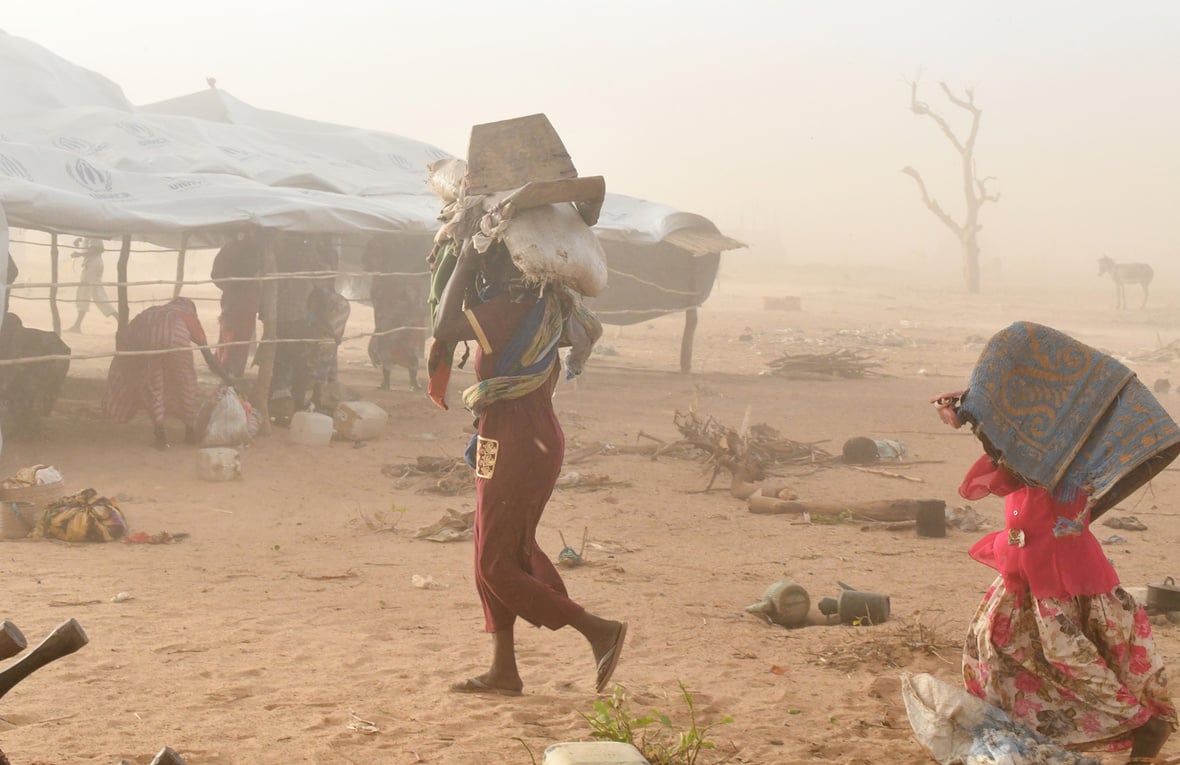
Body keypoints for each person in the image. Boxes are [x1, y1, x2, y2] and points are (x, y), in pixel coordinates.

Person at [932, 321, 1177, 761]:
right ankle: (1101, 728)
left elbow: (1015, 466)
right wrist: (972, 412)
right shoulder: (1040, 445)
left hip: (1058, 571)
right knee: (997, 651)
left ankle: (1142, 724)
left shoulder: (1067, 454)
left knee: (1070, 659)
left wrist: (974, 414)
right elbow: (1005, 456)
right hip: (1026, 566)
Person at [431, 239, 625, 697]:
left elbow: (443, 323)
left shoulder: (512, 308)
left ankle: (598, 630)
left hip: (520, 439)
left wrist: (460, 261)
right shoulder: (538, 306)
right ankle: (504, 670)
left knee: (496, 562)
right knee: (492, 550)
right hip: (510, 436)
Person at [104, 297, 229, 450]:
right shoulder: (186, 316)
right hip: (176, 338)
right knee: (185, 382)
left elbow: (125, 340)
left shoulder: (149, 313)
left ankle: (160, 434)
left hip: (146, 338)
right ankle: (189, 430)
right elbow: (208, 357)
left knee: (152, 384)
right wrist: (228, 379)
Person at [363, 235, 424, 391]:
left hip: (403, 307)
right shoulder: (382, 243)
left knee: (407, 342)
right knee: (386, 340)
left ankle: (411, 380)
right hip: (387, 305)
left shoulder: (411, 247)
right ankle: (388, 381)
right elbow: (369, 264)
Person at [0, 312, 71, 440]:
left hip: (52, 360)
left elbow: (15, 364)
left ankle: (28, 428)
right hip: (46, 361)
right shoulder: (15, 337)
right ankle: (26, 426)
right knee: (22, 391)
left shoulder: (17, 338)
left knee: (27, 392)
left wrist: (6, 384)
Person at [211, 231, 261, 377]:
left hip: (243, 300)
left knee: (237, 334)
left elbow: (216, 275)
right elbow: (216, 275)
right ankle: (228, 367)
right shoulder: (234, 249)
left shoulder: (256, 250)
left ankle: (229, 366)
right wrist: (233, 287)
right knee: (234, 334)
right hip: (236, 300)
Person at [67, 238, 117, 333]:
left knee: (84, 293)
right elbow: (91, 245)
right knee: (98, 295)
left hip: (92, 265)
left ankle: (77, 326)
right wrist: (80, 241)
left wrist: (80, 254)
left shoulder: (94, 232)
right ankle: (120, 319)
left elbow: (99, 249)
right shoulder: (87, 232)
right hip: (93, 264)